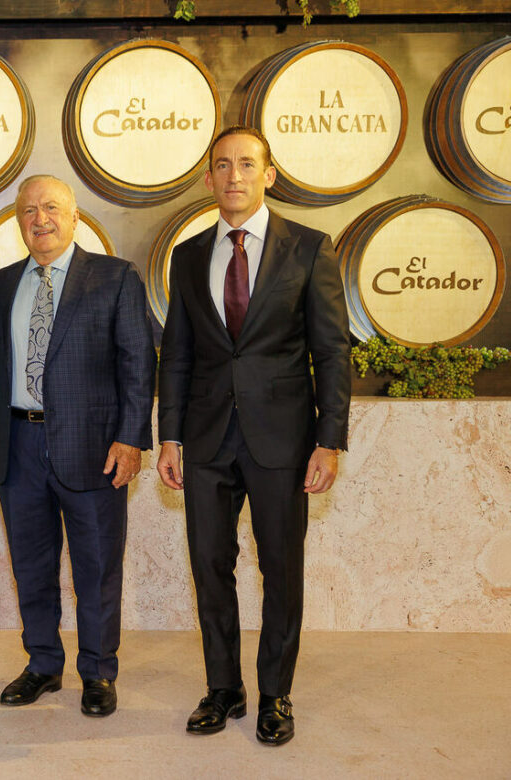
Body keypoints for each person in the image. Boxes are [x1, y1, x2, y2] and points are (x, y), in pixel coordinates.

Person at [156, 125, 351, 746]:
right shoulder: (188, 255)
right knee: (210, 567)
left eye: (246, 164)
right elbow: (177, 353)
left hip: (283, 441)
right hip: (206, 438)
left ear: (268, 175)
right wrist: (169, 436)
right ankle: (223, 688)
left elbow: (332, 351)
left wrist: (329, 440)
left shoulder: (309, 248)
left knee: (281, 568)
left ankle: (274, 694)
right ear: (208, 178)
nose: (233, 175)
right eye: (222, 165)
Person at [0, 174, 156, 718]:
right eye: (29, 210)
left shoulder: (115, 277)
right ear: (18, 220)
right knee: (31, 566)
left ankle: (98, 672)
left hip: (94, 448)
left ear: (75, 216)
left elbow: (138, 363)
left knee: (97, 567)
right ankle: (42, 664)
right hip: (17, 444)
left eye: (52, 207)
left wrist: (131, 439)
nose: (41, 219)